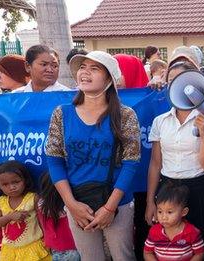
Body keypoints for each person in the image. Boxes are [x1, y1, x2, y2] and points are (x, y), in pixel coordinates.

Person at [45, 51, 140, 260]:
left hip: (117, 202)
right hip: (78, 202)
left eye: (94, 68)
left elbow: (131, 162)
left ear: (109, 79)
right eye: (82, 67)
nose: (85, 72)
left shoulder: (125, 115)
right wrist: (71, 204)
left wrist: (109, 207)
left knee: (123, 256)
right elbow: (54, 160)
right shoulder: (62, 113)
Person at [145, 61, 204, 260]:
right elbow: (155, 163)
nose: (174, 85)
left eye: (180, 80)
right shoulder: (160, 121)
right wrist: (150, 201)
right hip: (167, 190)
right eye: (171, 81)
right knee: (166, 248)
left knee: (200, 248)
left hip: (196, 190)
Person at [0, 160, 51, 261]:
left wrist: (48, 239)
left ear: (25, 180)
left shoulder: (32, 198)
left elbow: (42, 220)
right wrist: (9, 217)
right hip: (9, 251)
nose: (12, 187)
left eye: (16, 182)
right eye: (5, 184)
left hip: (33, 247)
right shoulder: (0, 201)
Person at [144, 182, 204, 261]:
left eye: (169, 212)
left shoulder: (192, 232)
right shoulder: (154, 231)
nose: (164, 217)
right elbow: (147, 253)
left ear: (184, 212)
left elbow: (200, 253)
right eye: (160, 212)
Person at [37, 173, 80, 261]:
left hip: (55, 247)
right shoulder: (70, 207)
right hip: (73, 246)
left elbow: (42, 225)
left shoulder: (42, 205)